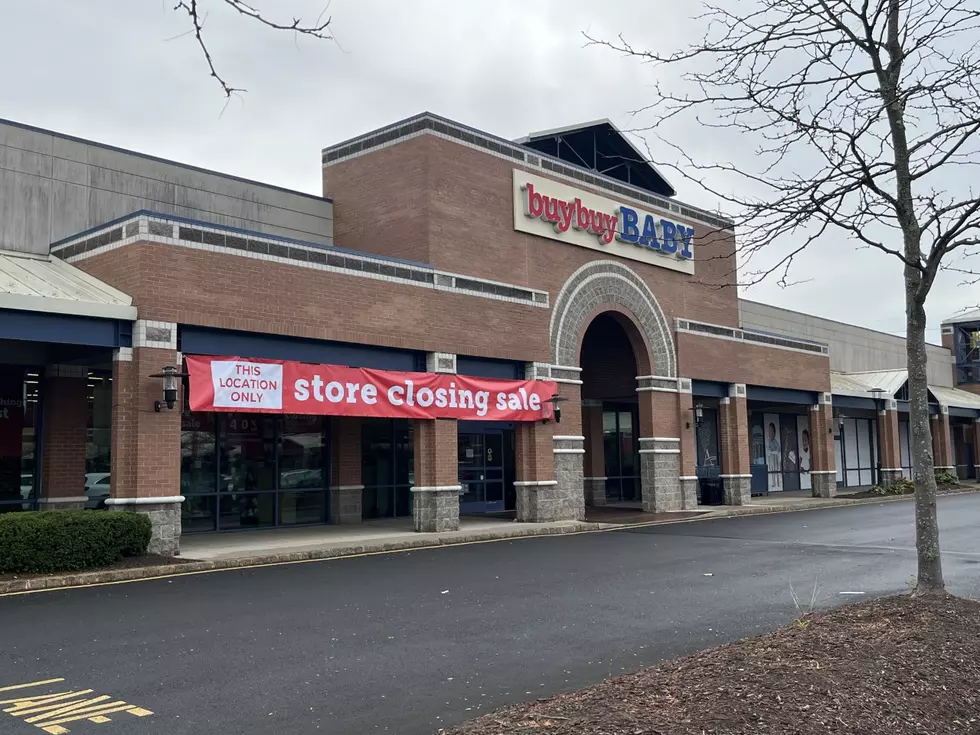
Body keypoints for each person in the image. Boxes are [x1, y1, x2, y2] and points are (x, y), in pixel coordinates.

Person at [767, 422, 782, 490]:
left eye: (771, 431)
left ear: (774, 432)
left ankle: (778, 483)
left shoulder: (775, 442)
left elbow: (778, 450)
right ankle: (774, 483)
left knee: (777, 471)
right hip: (771, 460)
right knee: (772, 471)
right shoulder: (769, 442)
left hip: (776, 459)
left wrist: (772, 452)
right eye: (769, 431)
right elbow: (768, 450)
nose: (770, 433)